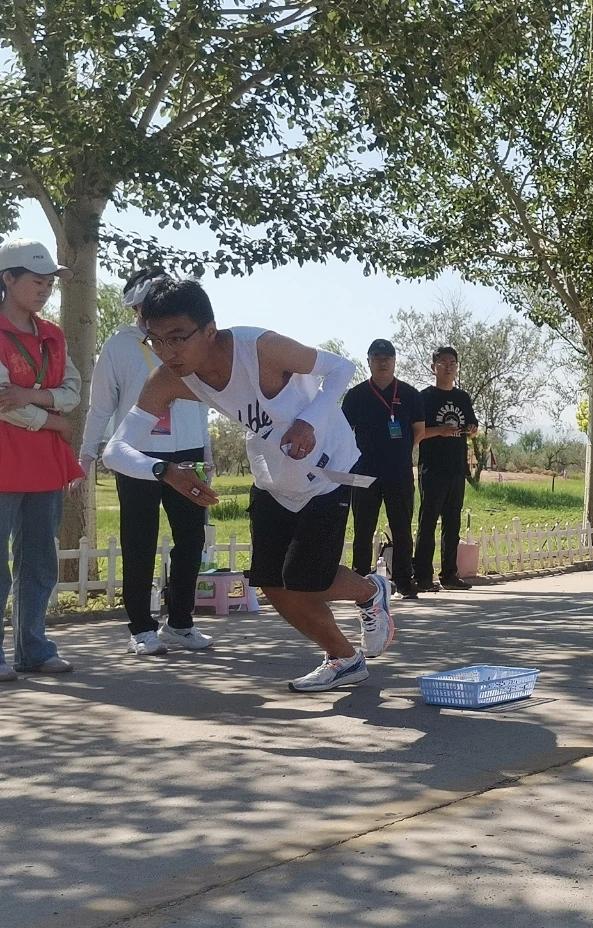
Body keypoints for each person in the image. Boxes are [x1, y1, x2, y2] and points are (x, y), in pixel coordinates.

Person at [102, 278, 394, 692]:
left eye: (178, 338)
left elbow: (341, 367)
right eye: (156, 341)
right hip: (273, 474)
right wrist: (164, 472)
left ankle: (369, 591)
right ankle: (344, 658)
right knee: (272, 583)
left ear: (209, 329)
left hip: (328, 468)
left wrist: (310, 420)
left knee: (307, 578)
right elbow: (115, 450)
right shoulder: (171, 379)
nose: (168, 352)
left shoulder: (260, 348)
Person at [78, 267, 215, 656]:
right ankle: (141, 626)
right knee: (139, 540)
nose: (145, 314)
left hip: (187, 452)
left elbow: (203, 402)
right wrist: (87, 454)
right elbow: (101, 405)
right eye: (140, 308)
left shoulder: (187, 342)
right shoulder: (119, 345)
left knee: (190, 540)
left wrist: (205, 452)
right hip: (135, 453)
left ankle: (181, 623)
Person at [0, 237, 84, 679]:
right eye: (37, 280)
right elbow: (2, 402)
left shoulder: (52, 333)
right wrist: (51, 421)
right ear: (7, 279)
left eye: (50, 281)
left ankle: (33, 648)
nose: (45, 288)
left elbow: (73, 392)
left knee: (40, 562)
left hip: (44, 466)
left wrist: (34, 396)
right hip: (4, 462)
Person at [342, 339, 425, 598]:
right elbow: (344, 434)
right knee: (363, 529)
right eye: (377, 357)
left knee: (401, 528)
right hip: (364, 471)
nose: (382, 361)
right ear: (368, 361)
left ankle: (404, 580)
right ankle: (361, 579)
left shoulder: (410, 394)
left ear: (395, 361)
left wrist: (399, 451)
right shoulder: (355, 396)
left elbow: (419, 431)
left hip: (399, 471)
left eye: (387, 357)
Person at [414, 345, 479, 592]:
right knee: (428, 522)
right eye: (443, 362)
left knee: (453, 523)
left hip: (456, 468)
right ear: (434, 367)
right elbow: (417, 434)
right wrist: (440, 430)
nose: (448, 366)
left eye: (452, 362)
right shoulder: (424, 398)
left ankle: (449, 574)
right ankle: (422, 576)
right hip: (432, 468)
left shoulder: (462, 398)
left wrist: (471, 430)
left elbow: (472, 425)